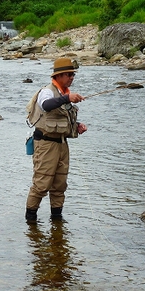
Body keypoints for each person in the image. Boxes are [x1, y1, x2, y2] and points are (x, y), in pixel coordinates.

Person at [25, 57, 87, 222]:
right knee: (41, 185)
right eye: (69, 75)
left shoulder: (64, 93)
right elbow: (46, 105)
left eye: (73, 75)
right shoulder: (47, 91)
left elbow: (60, 119)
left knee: (60, 185)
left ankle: (57, 220)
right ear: (58, 76)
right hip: (45, 145)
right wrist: (67, 98)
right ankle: (31, 221)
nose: (72, 78)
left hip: (62, 145)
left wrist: (77, 125)